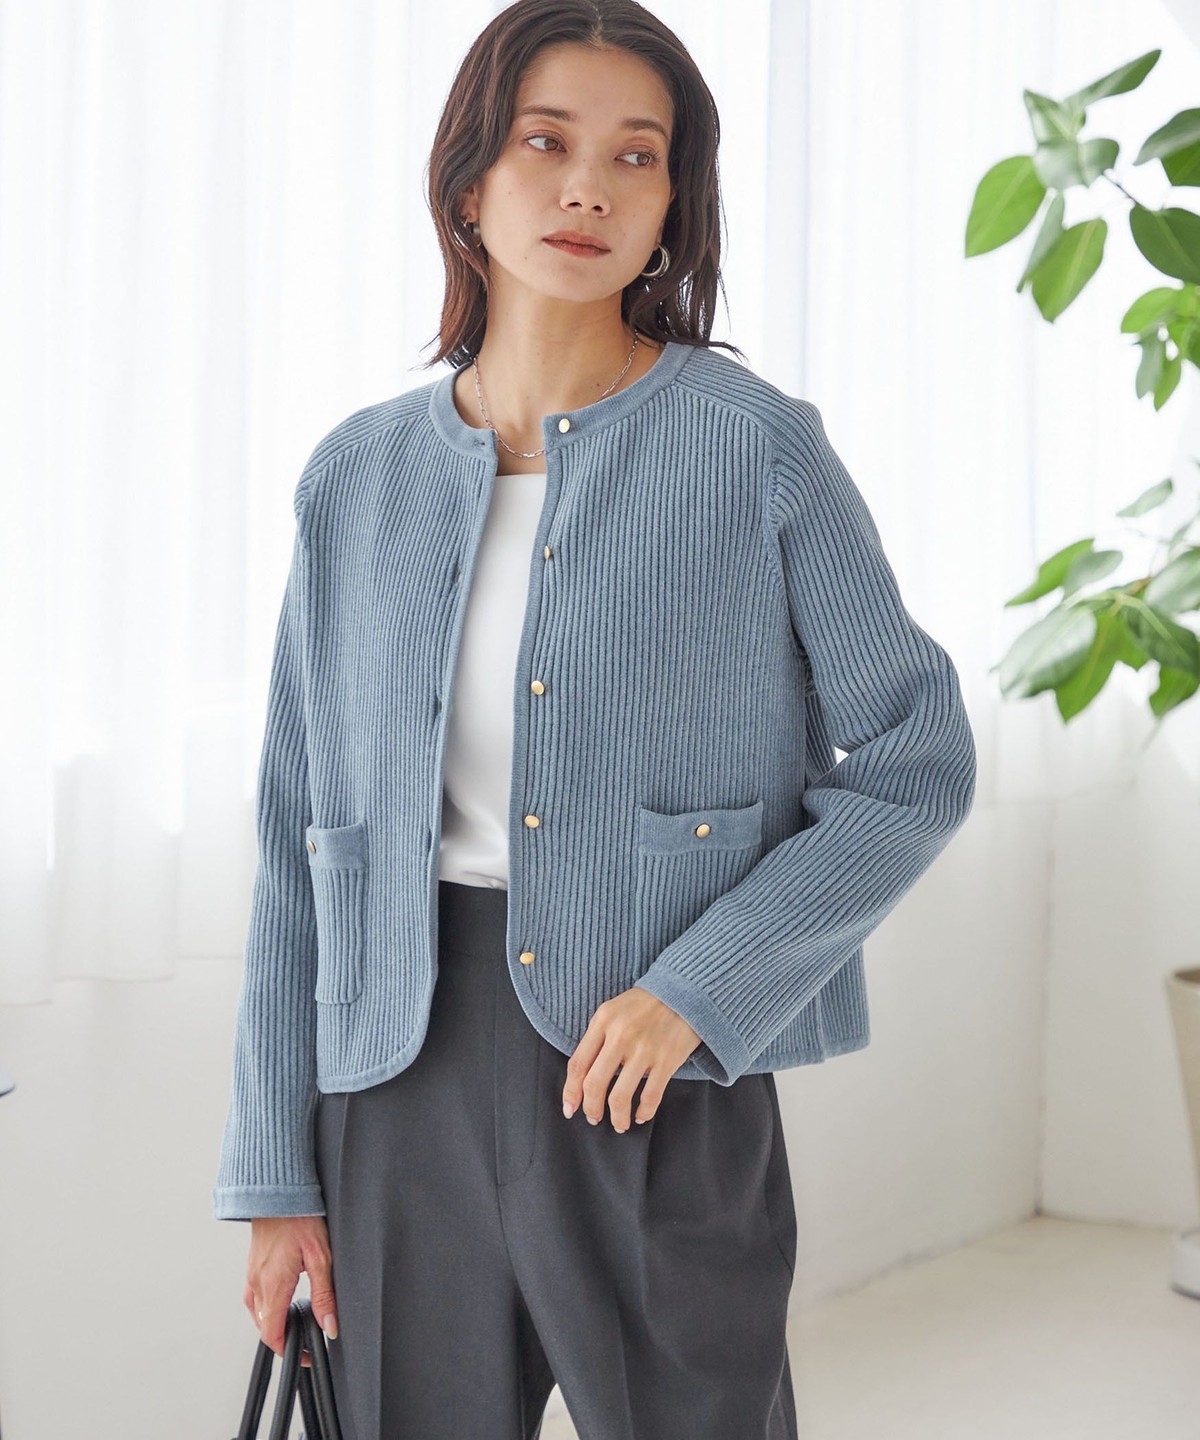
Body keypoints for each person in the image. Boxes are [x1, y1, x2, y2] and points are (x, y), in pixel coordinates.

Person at [212, 2, 977, 1436]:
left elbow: (913, 761)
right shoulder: (356, 479)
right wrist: (272, 1176)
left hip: (654, 1074)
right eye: (545, 143)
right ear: (468, 181)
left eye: (637, 156)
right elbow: (297, 837)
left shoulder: (756, 449)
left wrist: (706, 987)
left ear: (675, 203)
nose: (588, 190)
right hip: (394, 1081)